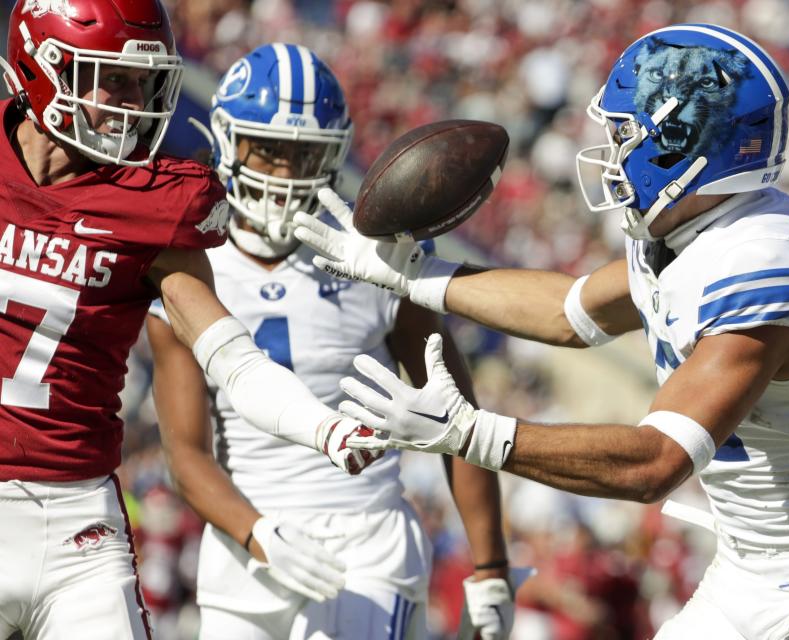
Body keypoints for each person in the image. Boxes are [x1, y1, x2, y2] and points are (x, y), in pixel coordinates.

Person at [293, 24, 789, 639]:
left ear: (681, 143)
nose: (613, 152)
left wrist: (470, 434)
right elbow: (568, 311)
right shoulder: (693, 232)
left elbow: (655, 463)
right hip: (747, 566)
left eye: (625, 134)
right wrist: (414, 276)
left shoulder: (766, 260)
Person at [0, 2, 366, 637]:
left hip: (79, 530)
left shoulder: (153, 202)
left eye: (144, 82)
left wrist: (322, 426)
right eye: (114, 78)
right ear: (45, 65)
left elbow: (228, 352)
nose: (133, 100)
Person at [146, 43, 519, 639]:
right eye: (267, 150)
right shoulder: (186, 267)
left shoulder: (376, 259)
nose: (286, 172)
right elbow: (186, 453)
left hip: (367, 538)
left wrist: (491, 564)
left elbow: (458, 419)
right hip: (247, 544)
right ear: (226, 141)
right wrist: (257, 531)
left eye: (303, 154)